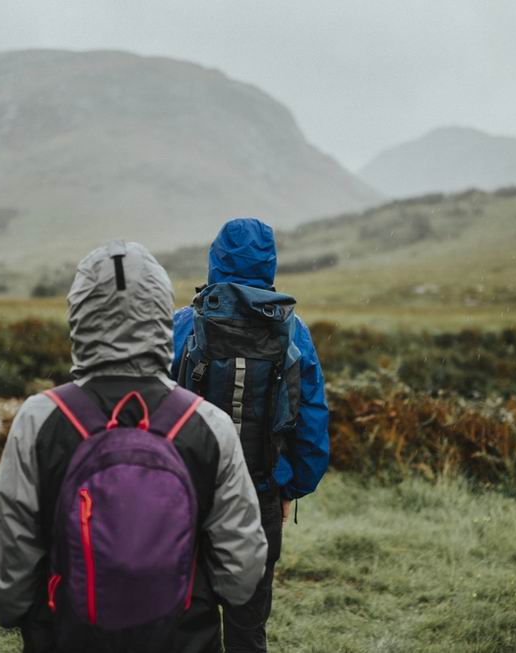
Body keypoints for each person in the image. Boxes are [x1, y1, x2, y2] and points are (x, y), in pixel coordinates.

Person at [0, 240, 268, 653]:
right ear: (160, 315)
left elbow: (5, 582)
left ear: (79, 313)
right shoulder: (209, 424)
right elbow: (241, 575)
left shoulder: (39, 419)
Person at [171, 218, 330, 652]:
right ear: (270, 263)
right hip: (259, 495)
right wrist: (290, 487)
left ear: (215, 259)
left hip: (189, 497)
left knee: (189, 622)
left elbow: (152, 408)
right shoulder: (293, 331)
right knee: (247, 624)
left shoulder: (183, 325)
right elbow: (312, 421)